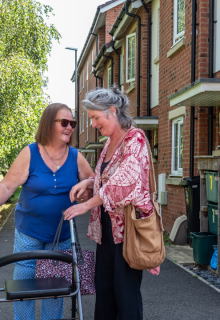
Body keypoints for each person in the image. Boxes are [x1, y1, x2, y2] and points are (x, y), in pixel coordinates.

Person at [0, 103, 95, 320]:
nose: (70, 127)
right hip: (29, 232)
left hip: (61, 234)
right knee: (24, 289)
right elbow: (7, 186)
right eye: (64, 122)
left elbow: (93, 182)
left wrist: (86, 188)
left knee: (55, 291)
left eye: (73, 123)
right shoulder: (30, 153)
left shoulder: (75, 156)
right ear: (49, 124)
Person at [64, 86, 159, 320]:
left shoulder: (134, 138)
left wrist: (86, 205)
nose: (94, 124)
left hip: (128, 230)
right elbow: (107, 178)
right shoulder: (109, 142)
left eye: (96, 118)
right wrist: (88, 183)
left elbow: (123, 185)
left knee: (126, 295)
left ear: (112, 111)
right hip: (107, 230)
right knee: (104, 290)